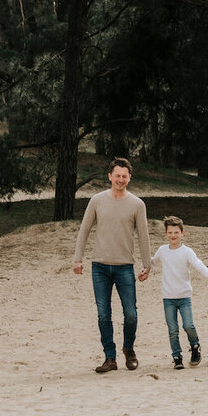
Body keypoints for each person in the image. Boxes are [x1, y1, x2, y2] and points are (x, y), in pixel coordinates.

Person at [73, 157, 152, 374]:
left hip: (125, 267)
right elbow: (84, 230)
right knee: (103, 314)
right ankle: (110, 357)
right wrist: (77, 259)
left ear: (129, 178)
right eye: (117, 175)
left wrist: (147, 264)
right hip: (99, 267)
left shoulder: (137, 204)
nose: (120, 179)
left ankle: (129, 349)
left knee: (131, 314)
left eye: (124, 176)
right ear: (110, 176)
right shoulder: (97, 201)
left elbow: (143, 236)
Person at [141, 216, 208, 370]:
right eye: (170, 232)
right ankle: (177, 357)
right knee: (172, 330)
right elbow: (152, 262)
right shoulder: (162, 251)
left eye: (176, 232)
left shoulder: (187, 252)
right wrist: (145, 271)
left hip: (184, 296)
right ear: (166, 234)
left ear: (182, 233)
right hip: (168, 297)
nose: (173, 235)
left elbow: (199, 266)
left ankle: (195, 345)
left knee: (188, 325)